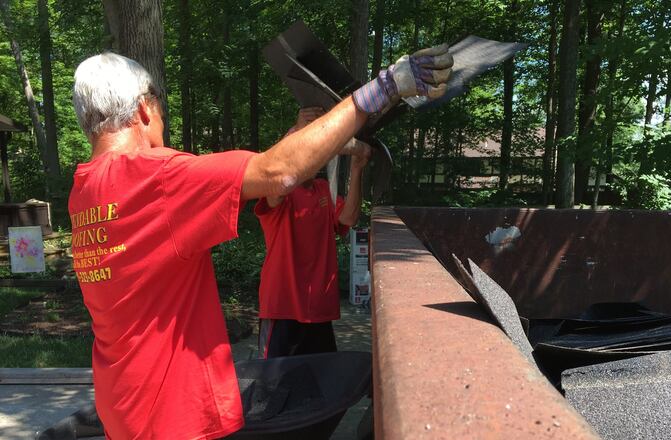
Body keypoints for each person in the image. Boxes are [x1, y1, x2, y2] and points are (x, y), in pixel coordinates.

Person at [68, 44, 452, 439]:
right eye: (162, 117)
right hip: (171, 417)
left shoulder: (84, 192)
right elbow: (279, 171)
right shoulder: (156, 178)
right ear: (145, 110)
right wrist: (385, 87)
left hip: (122, 405)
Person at [255, 107, 370, 359]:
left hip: (319, 308)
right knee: (273, 387)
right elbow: (276, 175)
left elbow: (349, 217)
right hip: (282, 307)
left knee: (319, 388)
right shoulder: (279, 191)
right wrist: (297, 133)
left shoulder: (323, 190)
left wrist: (357, 168)